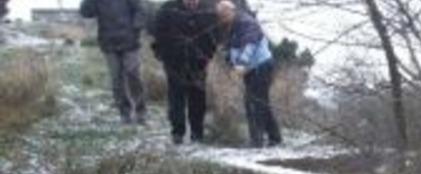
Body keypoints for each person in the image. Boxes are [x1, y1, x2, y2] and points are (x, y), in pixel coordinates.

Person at [216, 0, 282, 148]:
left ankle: (256, 141)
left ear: (231, 11)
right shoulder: (230, 26)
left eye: (224, 15)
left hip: (261, 65)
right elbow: (230, 48)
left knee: (254, 103)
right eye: (220, 16)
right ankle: (275, 138)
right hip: (251, 69)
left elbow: (249, 43)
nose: (222, 19)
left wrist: (241, 64)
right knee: (260, 102)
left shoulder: (246, 22)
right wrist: (230, 63)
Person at [152, 0, 219, 145]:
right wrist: (162, 54)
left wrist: (209, 57)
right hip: (174, 62)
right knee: (176, 99)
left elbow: (214, 36)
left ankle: (197, 134)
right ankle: (177, 133)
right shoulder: (168, 9)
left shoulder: (208, 10)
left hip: (199, 64)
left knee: (198, 100)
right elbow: (158, 33)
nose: (192, 1)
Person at [80, 0, 147, 125]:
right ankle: (124, 113)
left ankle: (140, 111)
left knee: (133, 74)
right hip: (109, 42)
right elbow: (86, 13)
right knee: (116, 79)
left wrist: (136, 27)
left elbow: (140, 10)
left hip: (130, 41)